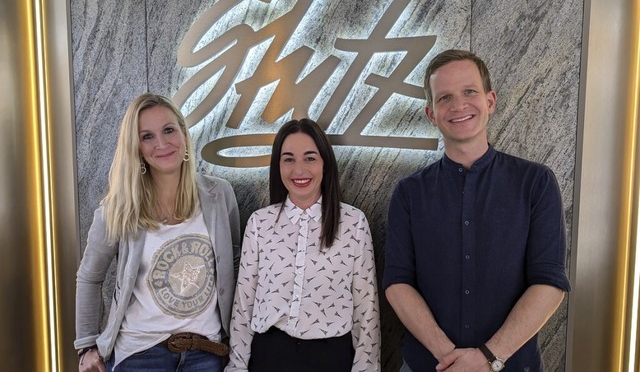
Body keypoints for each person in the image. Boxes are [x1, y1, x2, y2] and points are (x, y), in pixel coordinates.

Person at [383, 49, 571, 372]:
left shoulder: (536, 183)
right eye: (445, 98)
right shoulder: (408, 194)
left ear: (490, 101)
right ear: (431, 114)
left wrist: (488, 357)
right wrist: (450, 358)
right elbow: (398, 283)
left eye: (469, 91)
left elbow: (549, 283)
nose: (458, 105)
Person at [74, 93, 241, 372]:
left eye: (168, 130)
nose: (161, 144)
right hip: (140, 355)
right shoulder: (118, 209)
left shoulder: (219, 194)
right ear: (136, 147)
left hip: (207, 353)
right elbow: (90, 277)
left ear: (184, 135)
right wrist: (86, 346)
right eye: (147, 136)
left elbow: (234, 263)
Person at [224, 118, 381, 372]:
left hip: (331, 357)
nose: (299, 170)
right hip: (270, 356)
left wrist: (366, 368)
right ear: (278, 166)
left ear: (325, 164)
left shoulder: (353, 222)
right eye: (288, 159)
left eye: (310, 158)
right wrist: (237, 366)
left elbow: (366, 309)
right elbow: (244, 304)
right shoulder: (260, 223)